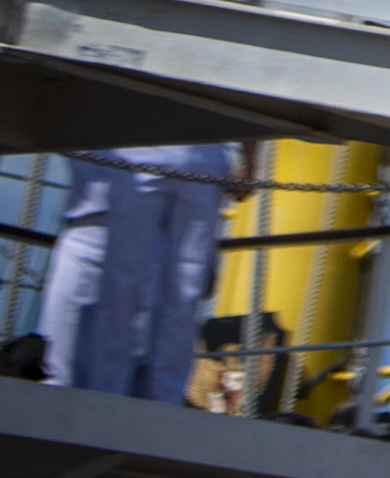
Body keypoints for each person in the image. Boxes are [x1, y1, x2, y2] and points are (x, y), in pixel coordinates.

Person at [38, 142, 247, 400]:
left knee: (143, 283)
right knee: (172, 287)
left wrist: (250, 158)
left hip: (161, 150)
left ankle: (118, 393)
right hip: (189, 152)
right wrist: (250, 157)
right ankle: (148, 398)